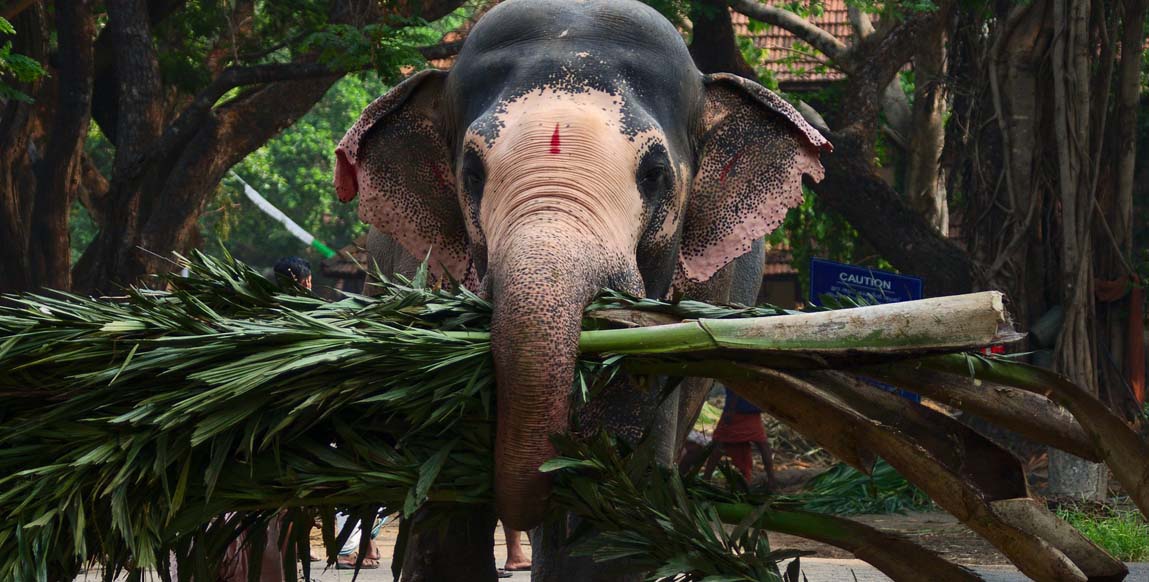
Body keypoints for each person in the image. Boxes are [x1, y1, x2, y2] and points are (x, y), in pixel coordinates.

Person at [702, 386, 776, 490]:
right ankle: (771, 479)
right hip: (750, 412)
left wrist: (730, 410)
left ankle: (706, 479)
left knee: (719, 445)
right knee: (762, 444)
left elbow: (737, 388)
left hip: (737, 413)